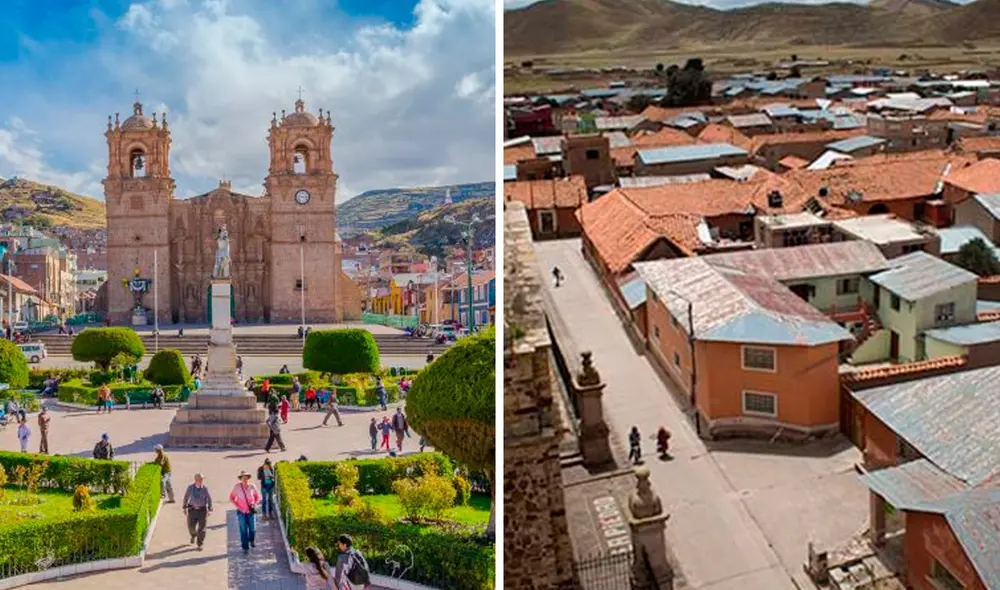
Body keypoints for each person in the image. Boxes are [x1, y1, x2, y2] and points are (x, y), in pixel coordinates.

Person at [229, 470, 261, 555]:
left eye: (246, 478)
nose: (245, 479)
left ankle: (252, 540)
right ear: (241, 478)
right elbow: (231, 498)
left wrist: (254, 504)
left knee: (253, 529)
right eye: (243, 478)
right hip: (241, 512)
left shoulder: (252, 486)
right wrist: (237, 506)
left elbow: (257, 497)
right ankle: (245, 547)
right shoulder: (237, 487)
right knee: (243, 530)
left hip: (251, 511)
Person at [182, 472, 213, 550]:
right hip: (192, 510)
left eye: (202, 479)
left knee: (202, 529)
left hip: (202, 510)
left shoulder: (205, 488)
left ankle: (200, 544)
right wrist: (184, 507)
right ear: (196, 480)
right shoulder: (190, 488)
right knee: (191, 527)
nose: (201, 481)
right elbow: (186, 497)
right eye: (200, 479)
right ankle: (193, 535)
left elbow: (209, 499)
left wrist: (210, 509)